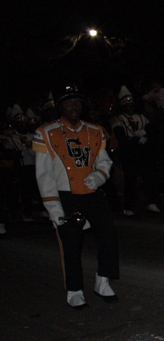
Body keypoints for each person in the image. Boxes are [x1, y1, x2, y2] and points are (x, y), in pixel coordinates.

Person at [33, 84, 119, 309]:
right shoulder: (45, 133)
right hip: (65, 195)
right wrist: (54, 208)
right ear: (61, 106)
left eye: (77, 103)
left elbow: (104, 161)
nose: (73, 107)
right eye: (69, 103)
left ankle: (103, 280)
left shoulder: (95, 130)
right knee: (71, 244)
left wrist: (99, 176)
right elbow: (44, 175)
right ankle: (74, 289)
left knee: (108, 235)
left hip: (92, 192)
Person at [111, 86, 160, 215]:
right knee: (130, 179)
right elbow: (121, 137)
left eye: (131, 105)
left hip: (143, 152)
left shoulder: (141, 117)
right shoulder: (118, 119)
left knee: (149, 177)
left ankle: (152, 202)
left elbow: (151, 131)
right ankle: (128, 207)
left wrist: (144, 135)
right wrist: (135, 139)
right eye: (127, 105)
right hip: (129, 153)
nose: (130, 107)